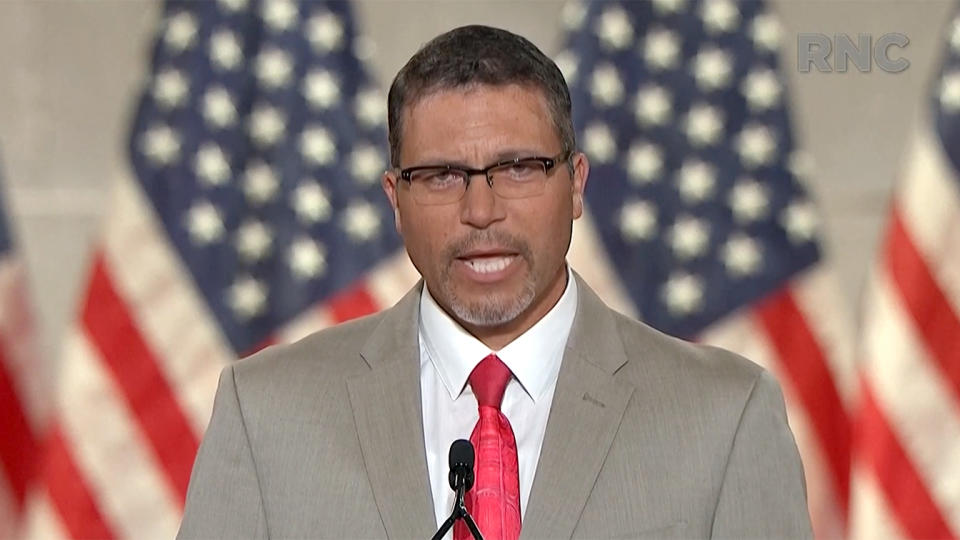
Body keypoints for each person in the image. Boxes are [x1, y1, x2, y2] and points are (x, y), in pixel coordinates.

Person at [178, 25, 812, 540]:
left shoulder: (726, 415)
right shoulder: (264, 413)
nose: (480, 211)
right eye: (441, 176)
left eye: (517, 168)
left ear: (577, 184)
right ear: (395, 200)